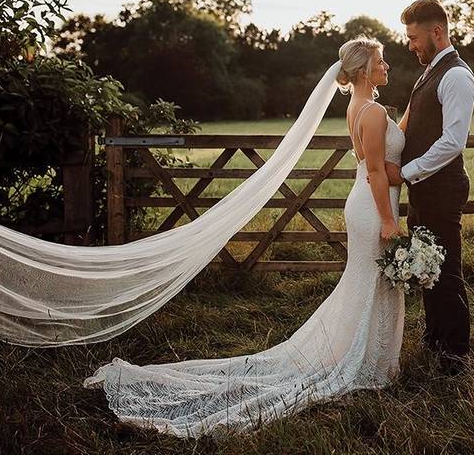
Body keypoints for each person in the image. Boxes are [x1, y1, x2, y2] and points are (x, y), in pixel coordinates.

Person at [83, 36, 408, 438]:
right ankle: (364, 363)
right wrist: (389, 221)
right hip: (375, 208)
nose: (387, 66)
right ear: (363, 70)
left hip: (363, 204)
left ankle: (362, 357)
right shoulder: (373, 111)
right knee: (371, 280)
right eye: (382, 61)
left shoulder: (360, 107)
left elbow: (383, 152)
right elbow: (377, 170)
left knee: (364, 282)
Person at [392, 0, 474, 376]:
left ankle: (456, 353)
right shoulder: (429, 72)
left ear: (436, 31)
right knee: (428, 266)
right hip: (424, 190)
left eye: (413, 37)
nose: (410, 45)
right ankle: (435, 337)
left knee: (447, 270)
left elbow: (452, 142)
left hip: (442, 189)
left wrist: (405, 172)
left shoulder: (457, 76)